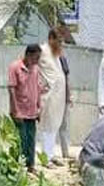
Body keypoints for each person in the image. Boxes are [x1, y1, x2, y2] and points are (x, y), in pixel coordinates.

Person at [8, 44, 43, 173]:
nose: (37, 61)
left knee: (31, 140)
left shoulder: (36, 69)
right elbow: (11, 89)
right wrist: (15, 110)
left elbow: (38, 89)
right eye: (36, 57)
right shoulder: (15, 67)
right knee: (20, 139)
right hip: (20, 111)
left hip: (32, 111)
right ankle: (18, 166)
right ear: (28, 55)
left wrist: (39, 107)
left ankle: (30, 165)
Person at [38, 28, 67, 166]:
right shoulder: (42, 50)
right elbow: (31, 66)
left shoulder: (57, 54)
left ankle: (51, 154)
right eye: (58, 41)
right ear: (51, 39)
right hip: (47, 95)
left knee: (55, 124)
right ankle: (45, 157)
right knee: (46, 125)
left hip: (59, 95)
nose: (61, 44)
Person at [58, 47, 73, 160]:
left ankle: (65, 152)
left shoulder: (62, 59)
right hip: (51, 98)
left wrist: (69, 96)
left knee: (64, 125)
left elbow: (67, 78)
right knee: (50, 127)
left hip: (62, 97)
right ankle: (48, 154)